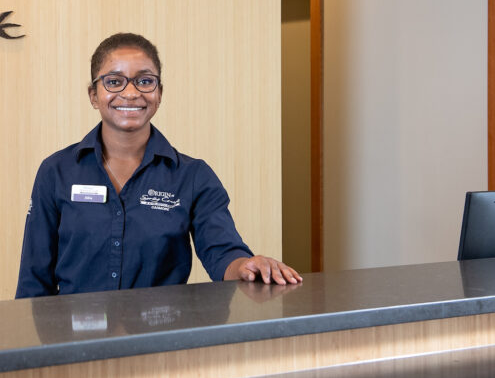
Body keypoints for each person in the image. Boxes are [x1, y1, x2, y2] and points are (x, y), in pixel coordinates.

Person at [15, 32, 301, 298]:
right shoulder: (56, 172)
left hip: (162, 341)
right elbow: (33, 280)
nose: (130, 93)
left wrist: (247, 265)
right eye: (114, 81)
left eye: (145, 80)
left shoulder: (193, 176)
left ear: (159, 93)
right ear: (93, 95)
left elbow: (223, 253)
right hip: (73, 344)